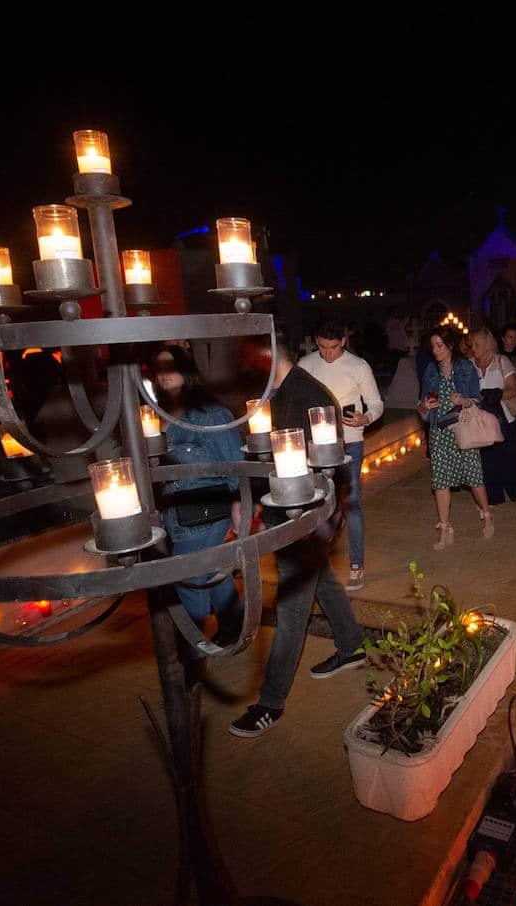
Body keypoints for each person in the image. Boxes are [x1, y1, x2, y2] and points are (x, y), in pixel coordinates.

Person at [228, 339, 366, 738]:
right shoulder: (284, 393)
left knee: (291, 610)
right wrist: (249, 500)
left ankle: (271, 702)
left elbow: (326, 463)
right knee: (320, 578)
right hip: (300, 515)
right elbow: (271, 458)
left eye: (256, 368)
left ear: (272, 362)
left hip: (305, 519)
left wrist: (322, 518)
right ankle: (352, 643)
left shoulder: (307, 397)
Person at [151, 346, 244, 644]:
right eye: (158, 370)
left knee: (189, 586)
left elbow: (233, 464)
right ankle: (234, 627)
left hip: (206, 515)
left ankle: (191, 657)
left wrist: (239, 505)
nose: (164, 376)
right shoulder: (156, 417)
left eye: (171, 367)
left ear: (187, 370)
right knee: (214, 570)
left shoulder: (210, 415)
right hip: (173, 517)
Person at [297, 316, 382, 591]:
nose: (327, 353)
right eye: (321, 347)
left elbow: (377, 404)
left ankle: (357, 565)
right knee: (318, 499)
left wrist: (365, 418)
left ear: (343, 341)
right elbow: (295, 402)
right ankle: (317, 560)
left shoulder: (358, 366)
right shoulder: (306, 365)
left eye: (332, 347)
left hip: (350, 443)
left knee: (353, 500)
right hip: (317, 445)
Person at [418, 326, 494, 549]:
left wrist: (463, 400)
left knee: (474, 476)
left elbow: (477, 400)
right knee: (440, 481)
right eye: (433, 346)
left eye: (440, 346)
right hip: (439, 433)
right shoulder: (431, 371)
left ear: (450, 345)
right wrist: (424, 405)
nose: (436, 350)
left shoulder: (465, 368)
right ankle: (444, 527)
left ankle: (487, 514)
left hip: (463, 428)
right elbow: (421, 406)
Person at [470, 327, 516, 506]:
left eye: (476, 344)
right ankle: (493, 494)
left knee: (508, 457)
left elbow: (514, 389)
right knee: (486, 460)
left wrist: (495, 396)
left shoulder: (501, 361)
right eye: (471, 344)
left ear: (487, 344)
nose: (473, 348)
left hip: (502, 419)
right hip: (479, 420)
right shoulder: (469, 364)